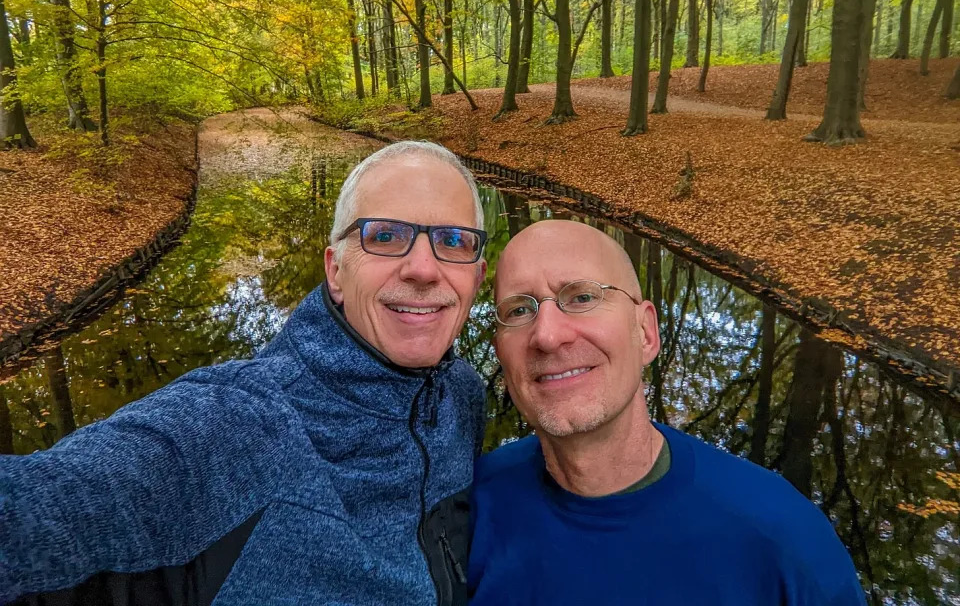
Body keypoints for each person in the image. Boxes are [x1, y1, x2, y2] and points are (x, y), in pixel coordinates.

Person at [0, 141, 487, 606]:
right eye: (385, 236)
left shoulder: (461, 396)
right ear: (336, 271)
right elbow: (38, 507)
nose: (423, 268)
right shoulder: (231, 426)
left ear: (477, 277)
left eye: (453, 241)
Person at [468, 219, 867, 606]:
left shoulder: (784, 542)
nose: (548, 336)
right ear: (501, 350)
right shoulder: (466, 514)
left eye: (582, 297)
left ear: (645, 333)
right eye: (519, 310)